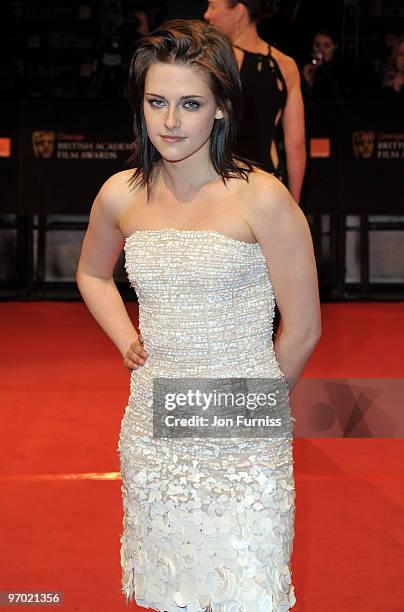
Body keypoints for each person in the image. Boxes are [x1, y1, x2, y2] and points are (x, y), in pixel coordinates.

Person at [76, 19, 321, 611]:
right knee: (172, 591)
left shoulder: (262, 196)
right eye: (156, 102)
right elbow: (91, 273)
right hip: (154, 433)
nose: (169, 121)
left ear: (219, 109)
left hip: (244, 441)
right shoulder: (120, 194)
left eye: (190, 104)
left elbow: (305, 327)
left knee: (248, 590)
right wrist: (124, 338)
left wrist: (250, 400)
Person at [204, 0, 306, 204]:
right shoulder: (285, 65)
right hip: (269, 185)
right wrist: (294, 206)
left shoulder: (210, 61)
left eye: (213, 6)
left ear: (238, 12)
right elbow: (295, 144)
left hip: (218, 185)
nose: (207, 15)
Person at [301, 29, 347, 102]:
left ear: (335, 47)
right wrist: (308, 81)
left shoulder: (342, 67)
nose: (321, 50)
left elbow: (336, 93)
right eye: (317, 45)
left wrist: (323, 69)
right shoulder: (308, 66)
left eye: (327, 46)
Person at [380, 35, 404, 99]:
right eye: (401, 54)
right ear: (395, 56)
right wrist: (395, 89)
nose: (403, 59)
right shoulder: (387, 80)